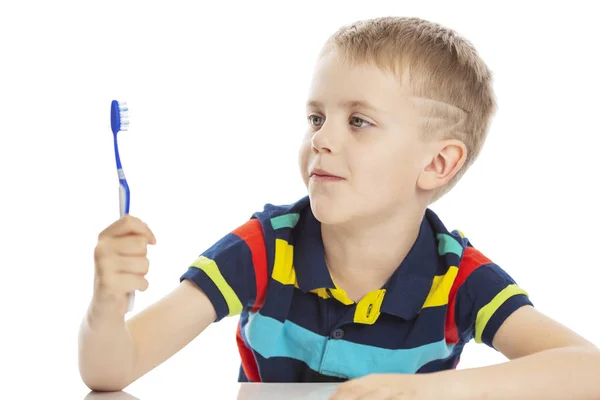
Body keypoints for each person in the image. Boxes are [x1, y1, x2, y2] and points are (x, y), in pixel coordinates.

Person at [78, 16, 600, 399]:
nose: (322, 139)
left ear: (439, 163)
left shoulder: (458, 278)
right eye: (315, 117)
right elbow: (109, 373)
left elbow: (589, 371)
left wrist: (422, 393)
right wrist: (106, 301)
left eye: (359, 121)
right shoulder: (262, 250)